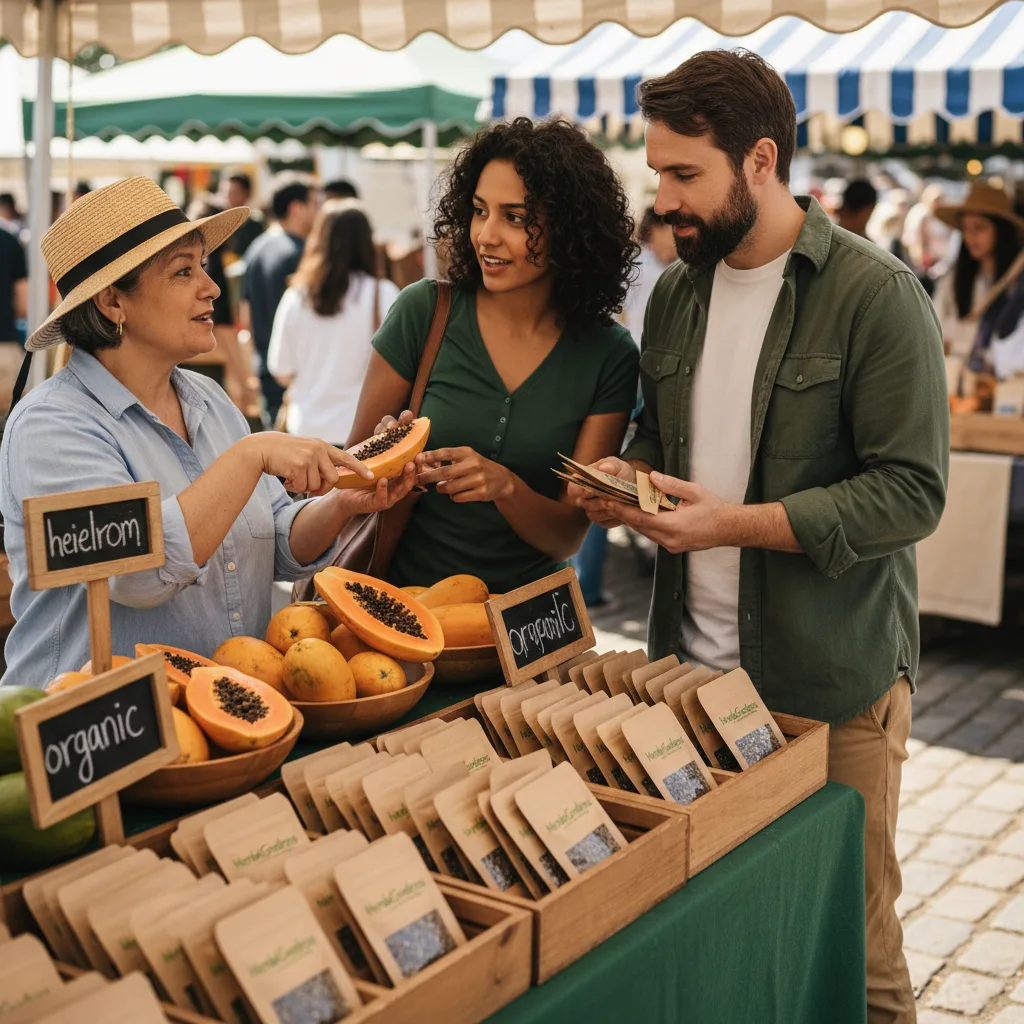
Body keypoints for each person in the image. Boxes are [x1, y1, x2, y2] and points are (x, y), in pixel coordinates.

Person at [571, 50, 947, 1024]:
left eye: (683, 174)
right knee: (731, 930)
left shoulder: (875, 292)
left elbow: (911, 493)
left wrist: (729, 524)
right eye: (655, 172)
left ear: (761, 162)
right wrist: (627, 477)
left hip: (832, 682)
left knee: (855, 951)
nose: (662, 201)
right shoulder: (677, 294)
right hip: (692, 678)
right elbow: (664, 439)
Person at [0, 177, 414, 688]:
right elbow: (137, 574)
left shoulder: (209, 400)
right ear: (112, 302)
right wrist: (250, 455)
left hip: (228, 717)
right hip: (98, 740)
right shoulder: (51, 426)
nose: (212, 287)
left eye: (203, 265)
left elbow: (278, 539)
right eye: (183, 272)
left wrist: (343, 504)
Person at [348, 117, 640, 595]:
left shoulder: (609, 355)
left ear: (571, 228)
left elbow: (566, 534)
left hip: (531, 633)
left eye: (516, 217)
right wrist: (385, 460)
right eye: (480, 210)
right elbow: (351, 481)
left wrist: (505, 486)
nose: (486, 235)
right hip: (401, 614)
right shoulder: (423, 313)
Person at [574, 206, 675, 608]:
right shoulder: (641, 267)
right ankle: (587, 588)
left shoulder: (670, 268)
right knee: (601, 479)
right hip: (628, 383)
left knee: (607, 478)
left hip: (639, 383)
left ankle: (588, 586)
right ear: (655, 230)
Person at [268, 200, 398, 445]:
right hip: (362, 432)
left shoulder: (298, 296)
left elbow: (280, 369)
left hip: (305, 431)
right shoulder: (386, 294)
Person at [242, 174, 319, 426]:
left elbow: (245, 313)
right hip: (294, 374)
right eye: (314, 205)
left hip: (265, 366)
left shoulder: (255, 249)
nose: (318, 213)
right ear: (296, 208)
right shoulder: (299, 254)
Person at [932, 182, 1024, 361]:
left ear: (1001, 230)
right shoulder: (953, 281)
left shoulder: (1018, 284)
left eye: (979, 228)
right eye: (966, 228)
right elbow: (935, 326)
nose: (971, 237)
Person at [903, 184, 952, 295]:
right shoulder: (922, 214)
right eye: (936, 200)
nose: (939, 203)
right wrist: (922, 261)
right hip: (925, 263)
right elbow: (917, 240)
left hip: (941, 261)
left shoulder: (943, 216)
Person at [218, 168, 265, 259]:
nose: (227, 198)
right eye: (223, 193)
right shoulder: (214, 224)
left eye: (233, 193)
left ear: (247, 195)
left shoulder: (255, 225)